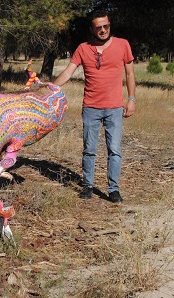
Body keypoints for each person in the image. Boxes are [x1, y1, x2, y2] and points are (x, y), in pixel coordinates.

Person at [53, 9, 136, 203]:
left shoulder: (123, 45)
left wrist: (131, 99)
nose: (103, 30)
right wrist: (50, 88)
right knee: (89, 149)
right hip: (91, 107)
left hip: (115, 107)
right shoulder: (83, 48)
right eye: (98, 27)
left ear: (110, 25)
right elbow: (68, 72)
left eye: (106, 26)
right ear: (92, 29)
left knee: (114, 150)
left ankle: (113, 189)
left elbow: (130, 74)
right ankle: (87, 186)